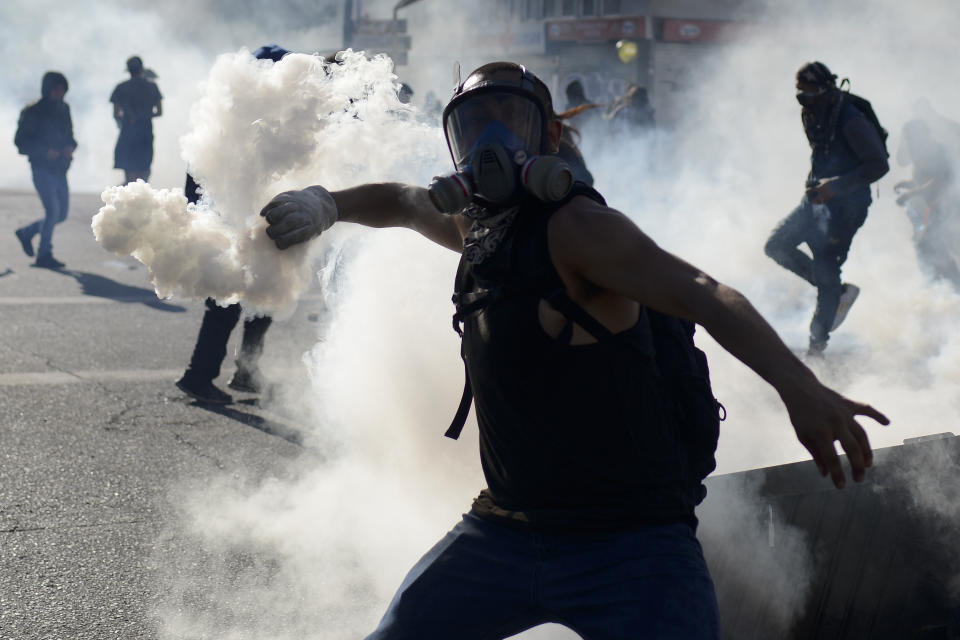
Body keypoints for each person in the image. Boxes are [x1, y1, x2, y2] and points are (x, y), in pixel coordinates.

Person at [260, 62, 888, 638]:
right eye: (473, 126)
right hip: (503, 531)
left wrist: (801, 389)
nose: (489, 146)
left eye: (509, 123)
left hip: (631, 548)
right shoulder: (478, 229)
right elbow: (400, 201)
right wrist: (326, 204)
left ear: (550, 141)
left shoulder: (580, 230)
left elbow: (704, 294)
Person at [175, 44, 289, 406]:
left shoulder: (262, 116)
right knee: (225, 305)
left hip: (254, 225)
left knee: (263, 302)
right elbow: (200, 171)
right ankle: (198, 376)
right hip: (230, 225)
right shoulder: (233, 117)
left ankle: (246, 372)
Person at [764, 62, 889, 355]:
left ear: (828, 91)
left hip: (847, 207)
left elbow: (878, 165)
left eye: (811, 94)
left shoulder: (850, 118)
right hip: (816, 200)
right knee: (776, 245)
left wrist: (837, 186)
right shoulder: (811, 112)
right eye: (801, 94)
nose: (805, 100)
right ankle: (836, 291)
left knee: (826, 267)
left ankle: (816, 349)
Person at [14, 71, 77, 269]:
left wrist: (71, 147)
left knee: (61, 215)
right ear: (47, 89)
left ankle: (27, 232)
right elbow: (20, 142)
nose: (59, 93)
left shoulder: (64, 109)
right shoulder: (33, 111)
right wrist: (44, 152)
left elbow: (70, 135)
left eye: (62, 90)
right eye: (56, 89)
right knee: (52, 212)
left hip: (60, 168)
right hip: (42, 168)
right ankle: (44, 255)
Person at [894, 117, 960, 287]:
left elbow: (940, 180)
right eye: (907, 138)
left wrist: (911, 193)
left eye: (911, 137)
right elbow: (925, 179)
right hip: (936, 208)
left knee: (930, 245)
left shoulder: (936, 151)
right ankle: (943, 286)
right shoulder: (923, 154)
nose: (909, 142)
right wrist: (908, 184)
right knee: (931, 246)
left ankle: (951, 286)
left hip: (948, 207)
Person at [110, 55, 163, 184]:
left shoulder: (121, 88)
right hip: (145, 132)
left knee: (130, 173)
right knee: (143, 172)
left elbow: (116, 114)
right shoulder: (152, 87)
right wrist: (145, 116)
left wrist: (128, 119)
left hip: (128, 132)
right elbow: (159, 112)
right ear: (141, 69)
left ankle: (128, 199)